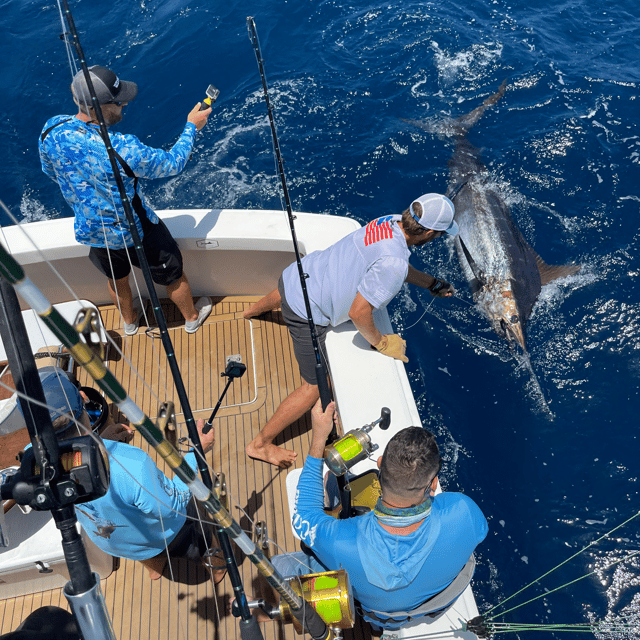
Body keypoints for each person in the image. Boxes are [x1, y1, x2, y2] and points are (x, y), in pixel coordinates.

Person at [243, 193, 458, 466]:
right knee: (314, 388)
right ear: (428, 232)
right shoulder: (394, 263)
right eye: (439, 233)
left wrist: (431, 283)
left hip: (297, 275)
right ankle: (259, 444)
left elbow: (394, 264)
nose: (438, 237)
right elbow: (359, 312)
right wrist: (380, 342)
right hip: (305, 311)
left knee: (289, 289)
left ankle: (250, 311)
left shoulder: (389, 221)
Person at [277, 399, 488, 631]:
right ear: (434, 483)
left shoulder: (340, 540)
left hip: (372, 613)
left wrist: (319, 437)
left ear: (379, 464)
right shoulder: (464, 511)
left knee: (280, 566)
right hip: (415, 614)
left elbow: (304, 515)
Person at [39, 65, 212, 335]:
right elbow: (173, 163)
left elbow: (50, 171)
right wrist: (192, 126)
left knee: (117, 279)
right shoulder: (124, 149)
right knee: (172, 275)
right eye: (119, 102)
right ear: (100, 106)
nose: (124, 105)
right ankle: (191, 319)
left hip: (95, 232)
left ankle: (129, 324)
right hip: (138, 230)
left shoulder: (52, 130)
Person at [25, 366, 225, 583]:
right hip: (164, 536)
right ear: (82, 399)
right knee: (201, 536)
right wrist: (196, 454)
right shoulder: (132, 464)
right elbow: (172, 506)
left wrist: (102, 438)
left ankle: (154, 567)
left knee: (136, 546)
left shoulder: (31, 460)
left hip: (110, 540)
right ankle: (217, 570)